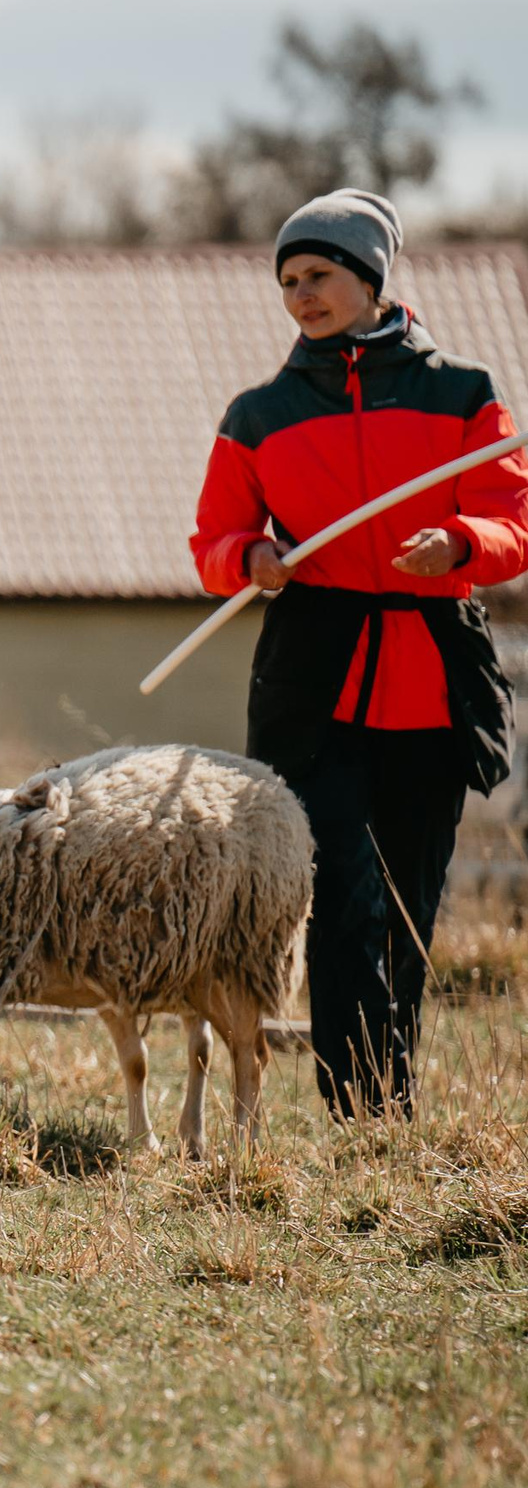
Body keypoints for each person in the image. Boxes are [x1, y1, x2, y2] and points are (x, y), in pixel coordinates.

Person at [191, 188, 525, 1120]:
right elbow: (214, 542)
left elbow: (513, 520)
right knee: (340, 896)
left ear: (371, 279)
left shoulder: (462, 390)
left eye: (320, 275)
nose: (301, 294)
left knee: (411, 904)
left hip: (432, 672)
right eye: (288, 280)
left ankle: (394, 1097)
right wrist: (249, 559)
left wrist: (457, 545)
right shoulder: (258, 413)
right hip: (315, 680)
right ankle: (357, 1108)